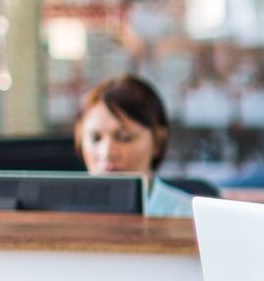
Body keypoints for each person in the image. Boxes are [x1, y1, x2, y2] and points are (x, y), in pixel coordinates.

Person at [73, 75, 196, 218]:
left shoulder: (189, 217)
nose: (106, 152)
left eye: (125, 138)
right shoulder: (61, 216)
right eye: (95, 139)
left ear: (158, 141)